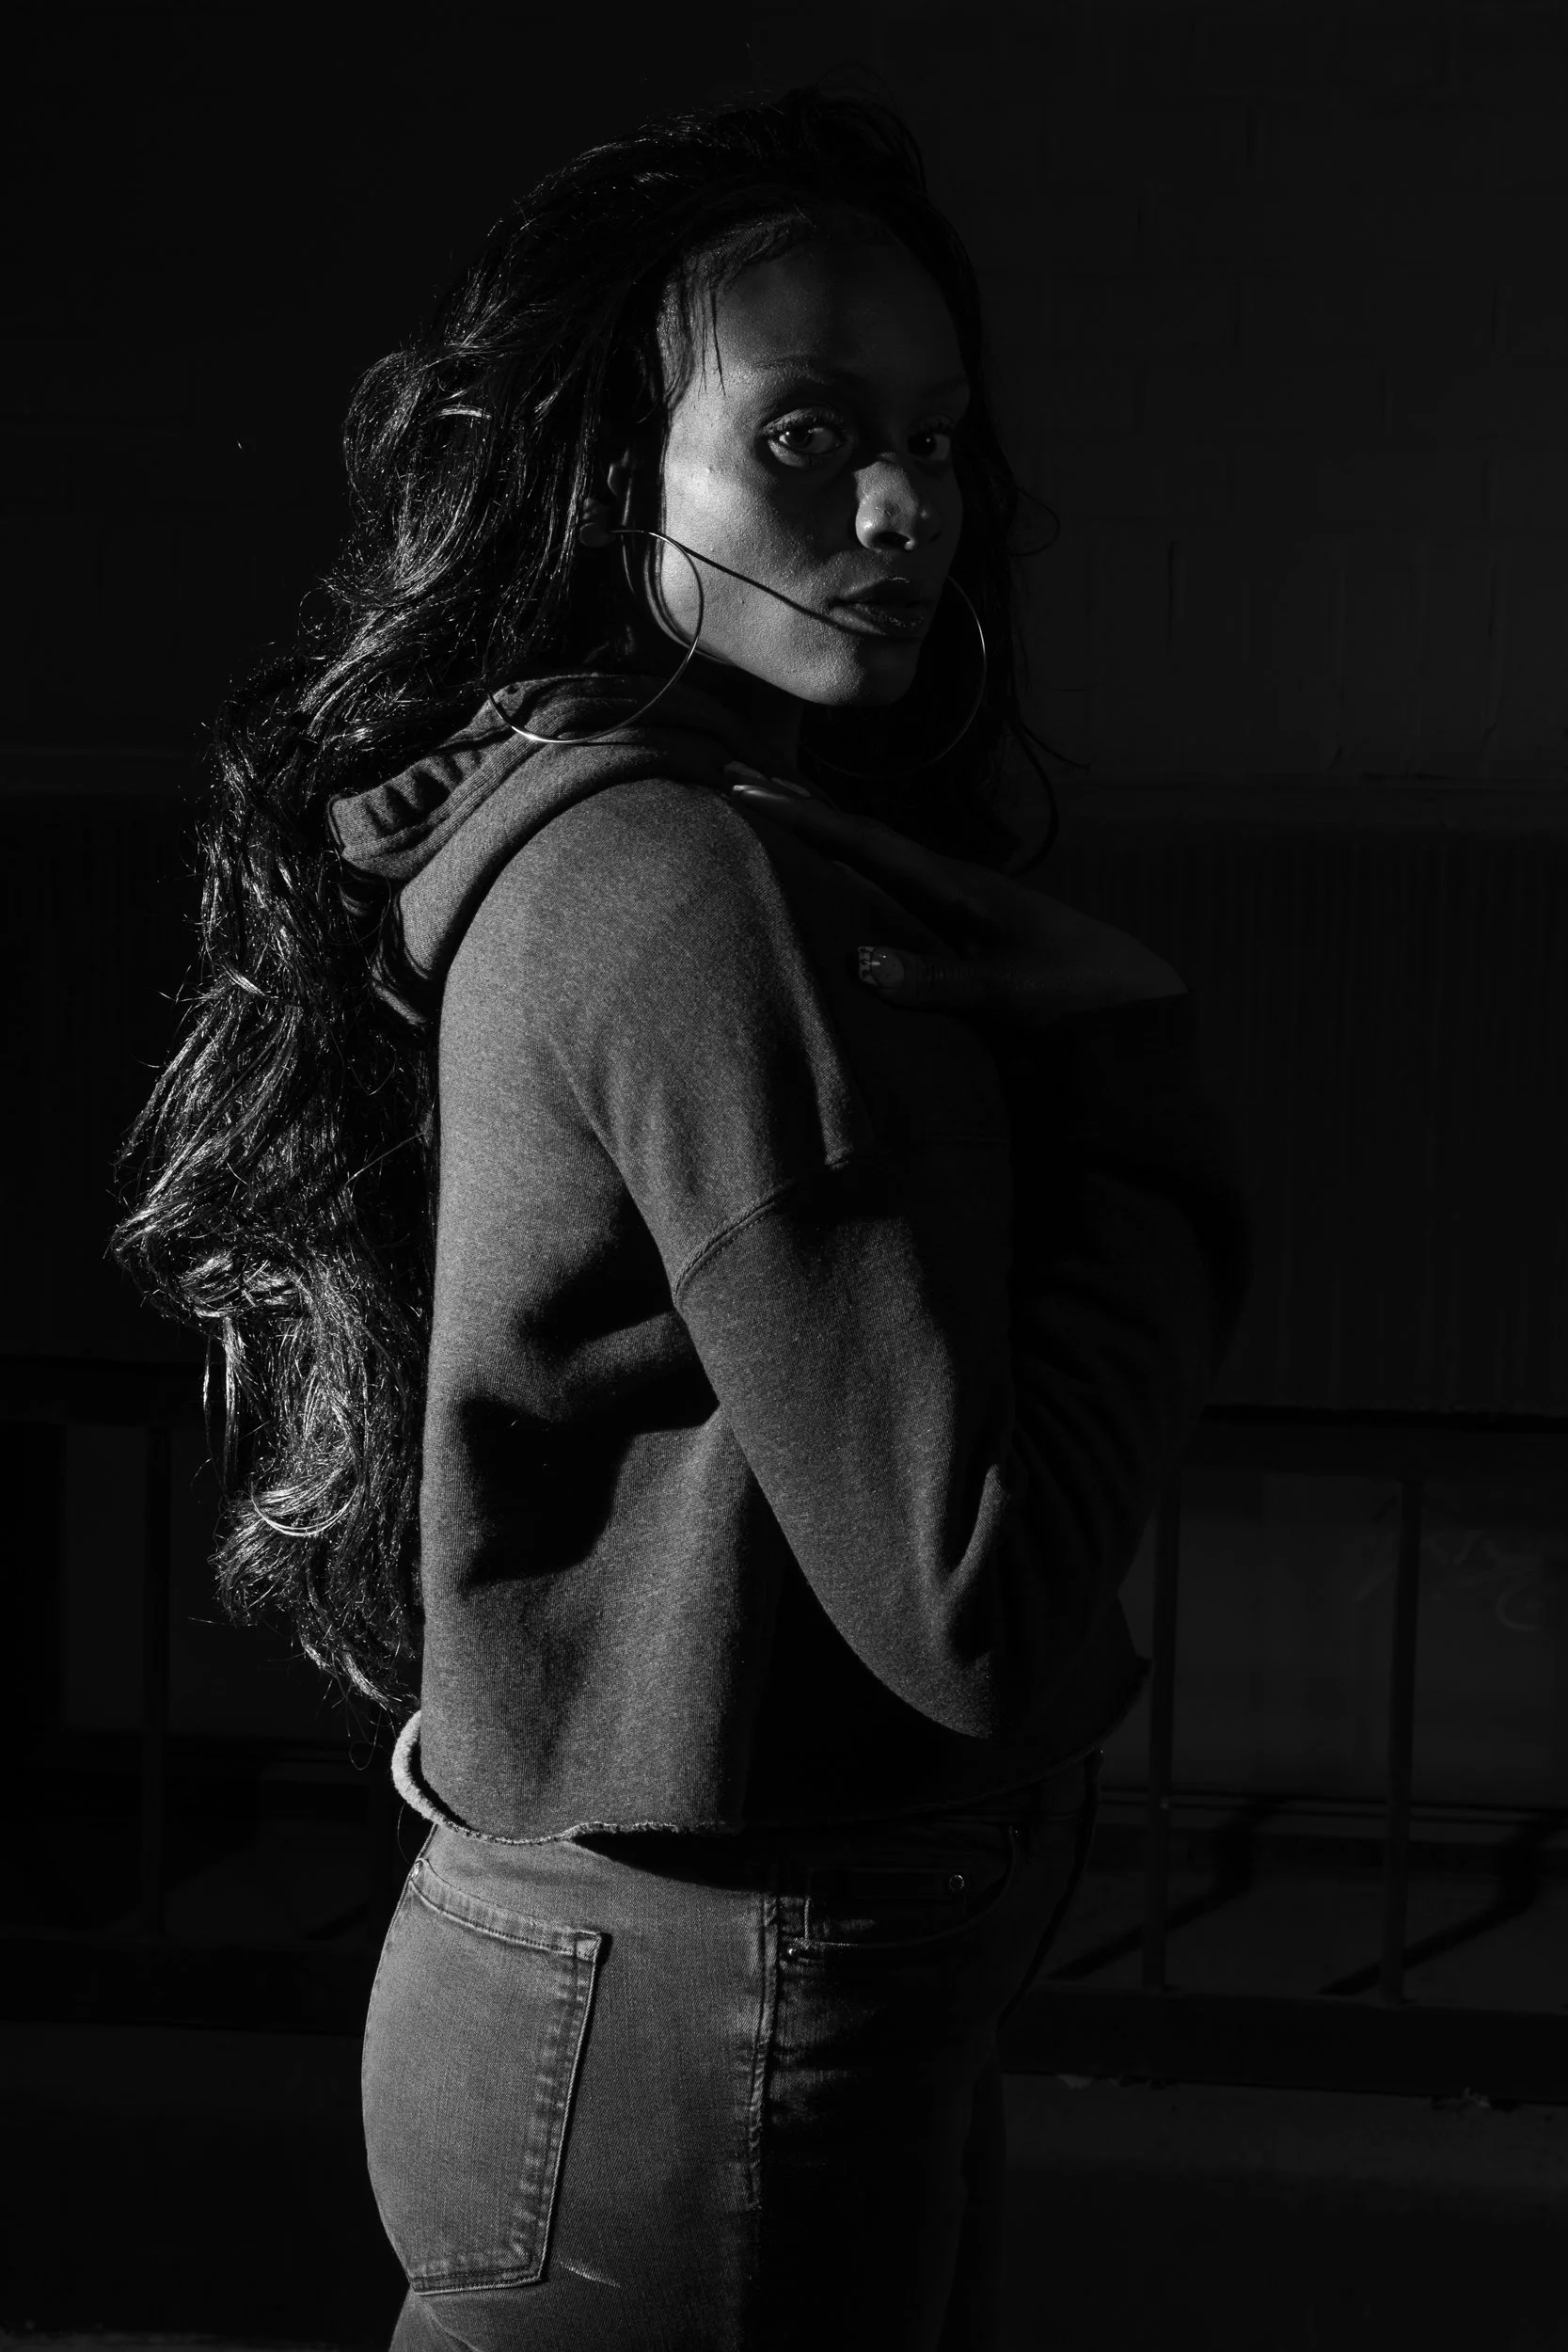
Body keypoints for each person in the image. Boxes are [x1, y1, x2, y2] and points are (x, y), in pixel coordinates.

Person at [112, 82, 1254, 2352]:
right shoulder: (678, 887)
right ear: (602, 471)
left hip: (665, 1978)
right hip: (703, 2012)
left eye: (932, 437)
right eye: (807, 436)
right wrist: (1142, 1122)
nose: (904, 506)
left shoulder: (622, 835)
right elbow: (969, 1611)